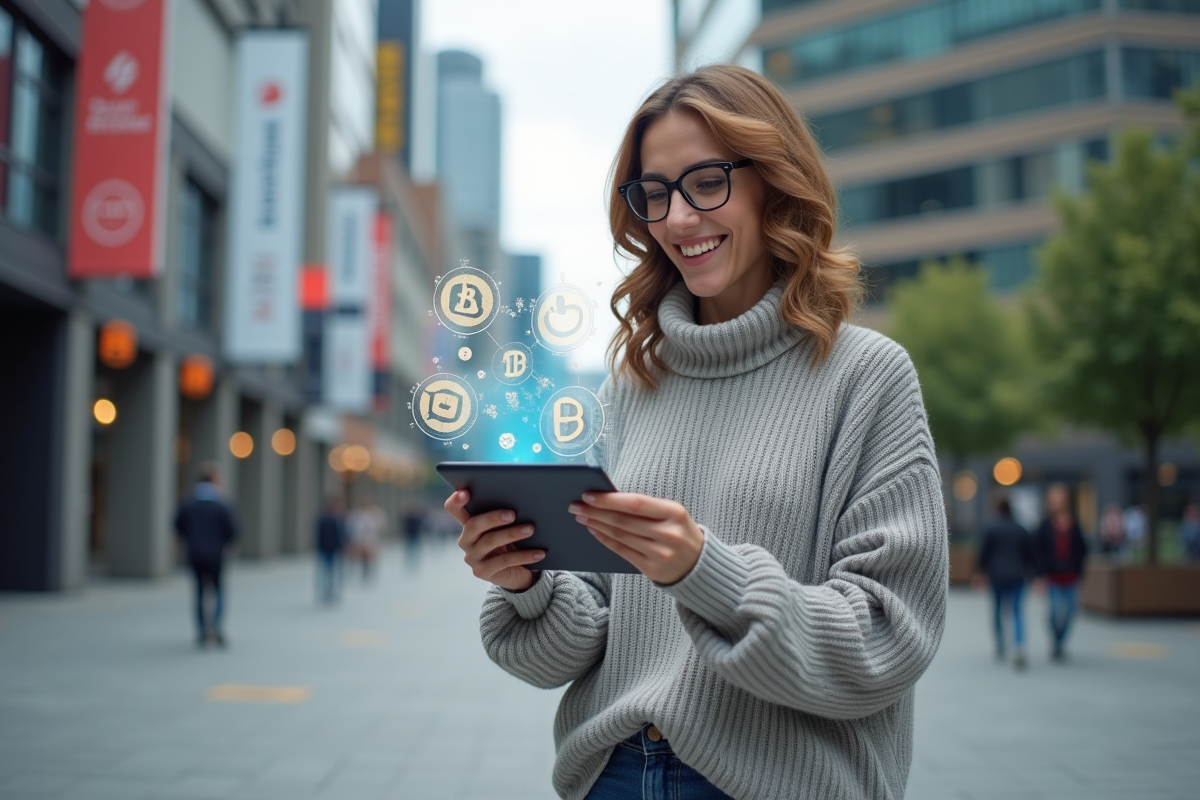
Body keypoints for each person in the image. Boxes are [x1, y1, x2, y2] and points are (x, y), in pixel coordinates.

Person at [447, 65, 948, 800]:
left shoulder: (867, 377)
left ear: (773, 181)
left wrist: (702, 570)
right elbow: (579, 644)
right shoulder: (632, 388)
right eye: (654, 194)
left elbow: (885, 638)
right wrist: (526, 581)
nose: (678, 219)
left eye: (706, 182)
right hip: (613, 772)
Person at [174, 462, 238, 648]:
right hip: (216, 554)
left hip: (195, 553)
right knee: (218, 590)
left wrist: (191, 538)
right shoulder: (222, 504)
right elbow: (233, 530)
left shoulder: (188, 502)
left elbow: (178, 525)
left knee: (200, 592)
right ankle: (216, 625)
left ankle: (202, 630)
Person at [975, 498, 1036, 669]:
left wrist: (980, 572)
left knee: (998, 610)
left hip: (997, 575)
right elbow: (1030, 555)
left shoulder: (991, 529)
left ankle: (1000, 644)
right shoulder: (1021, 529)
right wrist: (1034, 575)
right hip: (1018, 575)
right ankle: (1018, 645)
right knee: (1017, 611)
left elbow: (983, 553)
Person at [1032, 483, 1088, 662]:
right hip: (1052, 576)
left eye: (1059, 499)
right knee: (1055, 611)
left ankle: (1060, 642)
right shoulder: (1044, 525)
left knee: (1071, 611)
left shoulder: (1074, 524)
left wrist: (1080, 572)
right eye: (1053, 499)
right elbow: (1037, 551)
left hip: (1071, 576)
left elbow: (1082, 549)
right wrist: (1039, 576)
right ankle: (1056, 642)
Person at [315, 496, 347, 604]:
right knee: (326, 571)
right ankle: (325, 592)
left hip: (333, 549)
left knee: (331, 571)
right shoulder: (326, 519)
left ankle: (330, 591)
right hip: (327, 548)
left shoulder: (338, 519)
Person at [346, 498, 385, 580]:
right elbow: (352, 527)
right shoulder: (356, 515)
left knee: (367, 559)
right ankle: (354, 572)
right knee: (355, 557)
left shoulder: (372, 514)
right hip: (358, 540)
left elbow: (378, 525)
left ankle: (366, 573)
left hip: (368, 540)